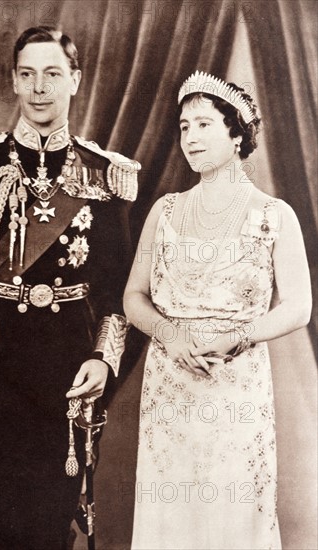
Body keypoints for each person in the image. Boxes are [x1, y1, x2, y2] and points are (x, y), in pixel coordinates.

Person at [0, 26, 139, 549]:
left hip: (65, 374)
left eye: (52, 74)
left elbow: (116, 293)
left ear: (75, 81)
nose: (40, 87)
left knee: (51, 527)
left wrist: (103, 360)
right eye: (27, 75)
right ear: (14, 83)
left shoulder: (103, 175)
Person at [124, 70, 312, 550]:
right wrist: (171, 334)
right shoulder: (164, 211)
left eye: (204, 125)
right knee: (172, 513)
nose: (190, 137)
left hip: (235, 383)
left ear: (237, 133)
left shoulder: (274, 215)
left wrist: (237, 337)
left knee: (232, 514)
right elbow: (133, 298)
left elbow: (299, 307)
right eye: (184, 126)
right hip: (170, 382)